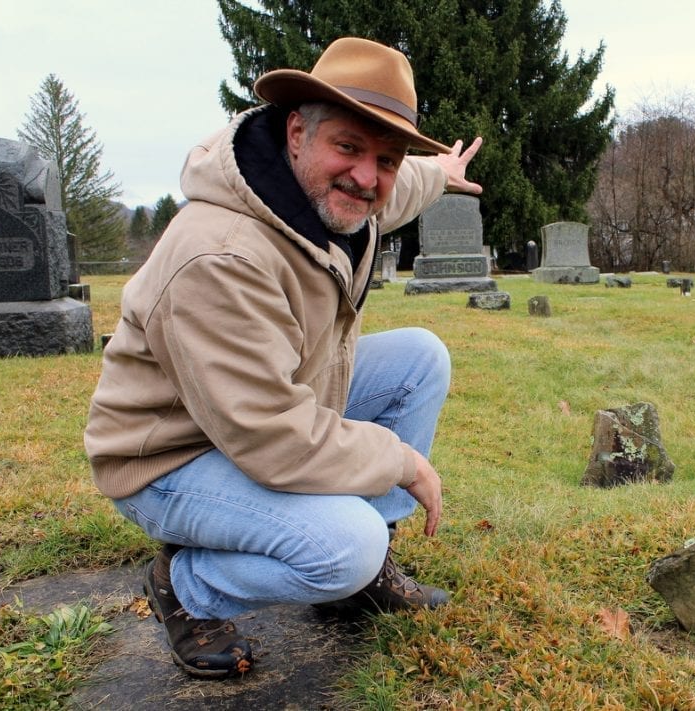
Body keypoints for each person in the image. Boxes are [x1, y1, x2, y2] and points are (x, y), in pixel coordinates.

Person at [84, 37, 483, 679]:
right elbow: (271, 435)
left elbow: (401, 185)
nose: (366, 175)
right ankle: (186, 586)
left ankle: (363, 581)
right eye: (348, 147)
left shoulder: (343, 196)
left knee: (420, 358)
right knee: (346, 543)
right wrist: (398, 461)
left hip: (262, 411)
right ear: (297, 132)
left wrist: (439, 173)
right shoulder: (221, 255)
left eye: (386, 156)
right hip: (170, 456)